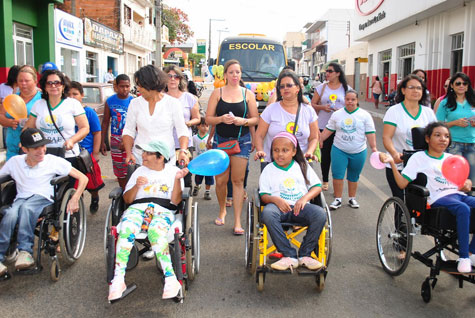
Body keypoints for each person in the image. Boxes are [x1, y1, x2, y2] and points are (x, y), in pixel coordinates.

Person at [382, 122, 475, 273]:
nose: (443, 139)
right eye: (437, 135)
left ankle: (472, 252)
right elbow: (402, 184)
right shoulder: (418, 158)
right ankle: (463, 257)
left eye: (446, 136)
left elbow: (465, 180)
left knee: (466, 205)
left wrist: (467, 183)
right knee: (463, 208)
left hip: (457, 194)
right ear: (427, 139)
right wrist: (392, 163)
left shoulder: (452, 158)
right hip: (437, 197)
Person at [0, 128, 87, 276]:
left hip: (43, 198)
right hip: (21, 198)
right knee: (10, 214)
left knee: (26, 209)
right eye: (35, 148)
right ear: (24, 148)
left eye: (43, 146)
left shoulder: (53, 161)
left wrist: (75, 198)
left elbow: (83, 178)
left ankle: (25, 252)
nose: (41, 151)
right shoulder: (15, 162)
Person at [108, 140, 187, 302]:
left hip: (163, 209)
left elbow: (175, 202)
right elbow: (128, 200)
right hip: (137, 209)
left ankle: (170, 278)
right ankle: (118, 279)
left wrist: (178, 180)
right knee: (127, 229)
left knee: (156, 232)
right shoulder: (138, 172)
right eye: (143, 152)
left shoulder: (173, 172)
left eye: (147, 153)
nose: (142, 155)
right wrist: (136, 186)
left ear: (160, 157)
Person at [205, 59, 259, 235]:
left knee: (238, 181)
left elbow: (256, 119)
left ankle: (237, 221)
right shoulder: (217, 93)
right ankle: (222, 210)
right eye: (231, 72)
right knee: (220, 181)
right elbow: (208, 119)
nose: (235, 75)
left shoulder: (247, 94)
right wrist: (221, 119)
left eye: (238, 72)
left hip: (241, 141)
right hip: (220, 140)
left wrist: (243, 121)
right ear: (225, 74)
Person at [259, 131, 326, 271]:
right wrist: (275, 199)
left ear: (294, 151)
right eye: (276, 150)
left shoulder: (302, 166)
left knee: (320, 213)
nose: (280, 154)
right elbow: (264, 195)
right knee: (267, 214)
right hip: (278, 208)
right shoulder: (268, 169)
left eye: (285, 150)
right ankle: (289, 255)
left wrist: (304, 198)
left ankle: (305, 254)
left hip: (300, 208)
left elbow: (317, 186)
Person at [319, 90, 378, 209]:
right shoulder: (337, 114)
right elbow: (328, 130)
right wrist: (320, 140)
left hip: (359, 151)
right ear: (344, 100)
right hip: (339, 150)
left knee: (354, 176)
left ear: (357, 101)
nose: (350, 102)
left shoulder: (364, 115)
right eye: (347, 99)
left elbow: (370, 133)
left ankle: (352, 198)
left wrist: (374, 148)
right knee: (337, 175)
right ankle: (337, 199)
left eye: (353, 100)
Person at [122, 65, 190, 167]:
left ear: (151, 85)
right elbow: (128, 130)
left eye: (140, 86)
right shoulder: (134, 103)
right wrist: (128, 153)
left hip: (165, 160)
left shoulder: (173, 103)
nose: (138, 89)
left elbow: (182, 130)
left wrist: (183, 151)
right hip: (141, 160)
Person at [382, 74, 436, 200]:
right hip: (399, 165)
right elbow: (387, 137)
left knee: (420, 204)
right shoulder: (394, 111)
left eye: (419, 88)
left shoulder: (428, 112)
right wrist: (394, 154)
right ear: (403, 90)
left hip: (422, 166)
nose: (415, 91)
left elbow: (434, 137)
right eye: (411, 87)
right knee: (401, 203)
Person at [25, 69, 90, 171]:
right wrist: (24, 142)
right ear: (44, 87)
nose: (53, 86)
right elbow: (28, 128)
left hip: (67, 155)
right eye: (49, 83)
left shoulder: (73, 104)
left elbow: (85, 128)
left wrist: (72, 141)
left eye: (57, 83)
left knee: (66, 186)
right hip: (43, 156)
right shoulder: (38, 104)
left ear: (63, 86)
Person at [255, 70, 318, 168]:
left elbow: (314, 138)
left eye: (289, 85)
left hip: (300, 164)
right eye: (282, 86)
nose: (285, 88)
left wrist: (310, 152)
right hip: (273, 164)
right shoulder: (270, 110)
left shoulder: (308, 111)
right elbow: (259, 135)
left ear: (297, 88)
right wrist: (260, 150)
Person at [311, 62, 351, 191]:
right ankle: (325, 179)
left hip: (341, 127)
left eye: (330, 71)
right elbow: (312, 105)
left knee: (339, 156)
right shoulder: (321, 88)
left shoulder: (346, 89)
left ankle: (338, 182)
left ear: (338, 73)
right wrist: (323, 107)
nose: (327, 73)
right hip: (323, 125)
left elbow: (353, 106)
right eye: (326, 71)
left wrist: (342, 109)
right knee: (325, 154)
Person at [68, 81, 104, 213]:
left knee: (92, 184)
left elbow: (97, 132)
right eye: (69, 94)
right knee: (75, 185)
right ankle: (78, 208)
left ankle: (95, 198)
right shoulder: (65, 113)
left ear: (82, 95)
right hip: (72, 155)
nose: (72, 97)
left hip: (86, 155)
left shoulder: (89, 112)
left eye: (75, 94)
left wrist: (95, 152)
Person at [163, 65, 200, 187]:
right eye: (169, 76)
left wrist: (186, 123)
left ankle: (184, 203)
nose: (172, 79)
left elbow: (197, 118)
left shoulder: (189, 97)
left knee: (185, 177)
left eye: (176, 76)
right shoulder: (160, 98)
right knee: (166, 177)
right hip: (165, 144)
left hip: (184, 144)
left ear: (180, 79)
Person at [435, 72, 475, 182]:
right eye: (458, 83)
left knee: (472, 178)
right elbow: (438, 125)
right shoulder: (445, 103)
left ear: (468, 86)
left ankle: (469, 199)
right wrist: (454, 123)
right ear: (452, 86)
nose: (461, 86)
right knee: (455, 178)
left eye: (464, 83)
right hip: (454, 144)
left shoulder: (473, 101)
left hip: (472, 144)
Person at [0, 65, 42, 160]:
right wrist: (9, 122)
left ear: (35, 81)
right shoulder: (12, 98)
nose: (23, 84)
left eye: (27, 81)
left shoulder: (42, 99)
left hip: (34, 149)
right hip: (12, 149)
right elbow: (1, 115)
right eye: (20, 81)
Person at [101, 74, 133, 189]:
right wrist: (102, 141)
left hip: (131, 139)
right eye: (122, 86)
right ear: (116, 87)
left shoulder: (133, 101)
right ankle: (123, 192)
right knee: (119, 170)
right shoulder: (110, 101)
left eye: (127, 86)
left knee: (132, 167)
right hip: (115, 139)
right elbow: (105, 122)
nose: (125, 89)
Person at [192, 118, 213, 200]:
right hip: (199, 161)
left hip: (208, 161)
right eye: (203, 126)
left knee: (209, 176)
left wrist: (210, 147)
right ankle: (197, 186)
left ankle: (207, 191)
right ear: (198, 126)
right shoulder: (194, 138)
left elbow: (213, 148)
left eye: (207, 126)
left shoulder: (210, 137)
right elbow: (192, 147)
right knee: (198, 176)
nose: (205, 128)